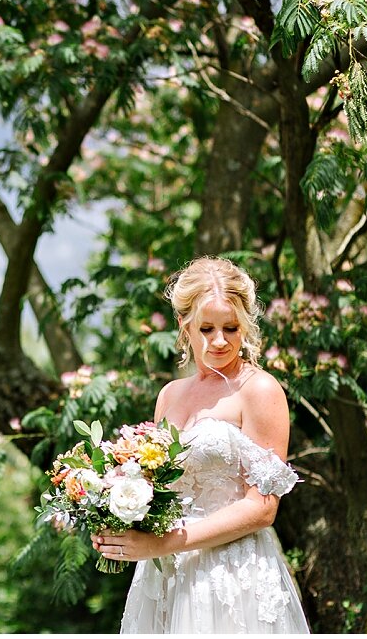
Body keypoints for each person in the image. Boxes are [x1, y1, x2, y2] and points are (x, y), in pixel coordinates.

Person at [92, 256, 311, 633]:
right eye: (206, 328)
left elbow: (261, 509)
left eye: (231, 327)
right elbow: (158, 490)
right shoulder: (169, 395)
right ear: (184, 325)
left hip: (232, 575)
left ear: (245, 326)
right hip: (166, 577)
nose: (220, 340)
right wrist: (114, 515)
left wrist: (163, 544)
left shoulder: (259, 389)